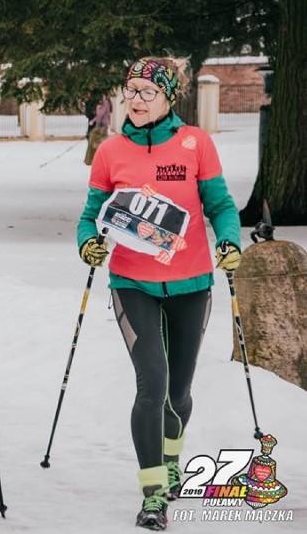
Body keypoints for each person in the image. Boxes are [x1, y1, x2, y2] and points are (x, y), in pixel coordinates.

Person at [77, 57, 241, 531]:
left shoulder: (195, 143)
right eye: (130, 90)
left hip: (192, 282)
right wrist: (88, 242)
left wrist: (229, 240)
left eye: (148, 92)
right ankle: (153, 493)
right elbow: (91, 215)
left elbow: (222, 205)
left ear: (169, 97)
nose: (136, 99)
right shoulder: (112, 151)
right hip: (132, 284)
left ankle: (172, 458)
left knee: (179, 390)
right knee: (152, 383)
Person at [84, 94, 112, 165]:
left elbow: (101, 114)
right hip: (99, 125)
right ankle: (91, 160)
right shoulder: (102, 104)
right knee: (93, 140)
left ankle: (98, 160)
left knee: (98, 142)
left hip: (102, 126)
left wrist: (93, 121)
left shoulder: (106, 103)